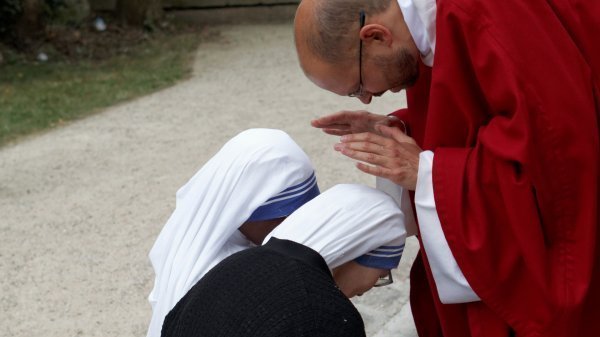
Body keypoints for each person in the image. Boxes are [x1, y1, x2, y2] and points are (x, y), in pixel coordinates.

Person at [294, 0, 600, 336]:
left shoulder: (491, 17)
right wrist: (401, 132)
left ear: (377, 36)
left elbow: (562, 162)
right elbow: (481, 120)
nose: (368, 98)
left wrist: (428, 174)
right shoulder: (420, 32)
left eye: (358, 88)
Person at [161, 184, 407, 337]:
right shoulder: (320, 313)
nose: (365, 292)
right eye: (381, 275)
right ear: (355, 252)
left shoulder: (233, 264)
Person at [146, 128, 320, 337]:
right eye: (287, 211)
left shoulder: (187, 235)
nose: (296, 220)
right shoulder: (235, 275)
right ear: (246, 207)